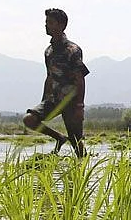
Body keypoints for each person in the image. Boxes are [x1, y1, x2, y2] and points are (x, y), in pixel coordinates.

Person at [22, 8, 89, 157]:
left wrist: (79, 106)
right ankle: (59, 138)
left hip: (70, 101)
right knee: (30, 119)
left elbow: (80, 78)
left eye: (50, 22)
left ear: (61, 25)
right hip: (53, 99)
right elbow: (49, 76)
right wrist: (43, 100)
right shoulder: (48, 51)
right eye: (46, 22)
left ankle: (82, 170)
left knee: (76, 141)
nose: (46, 25)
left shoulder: (73, 50)